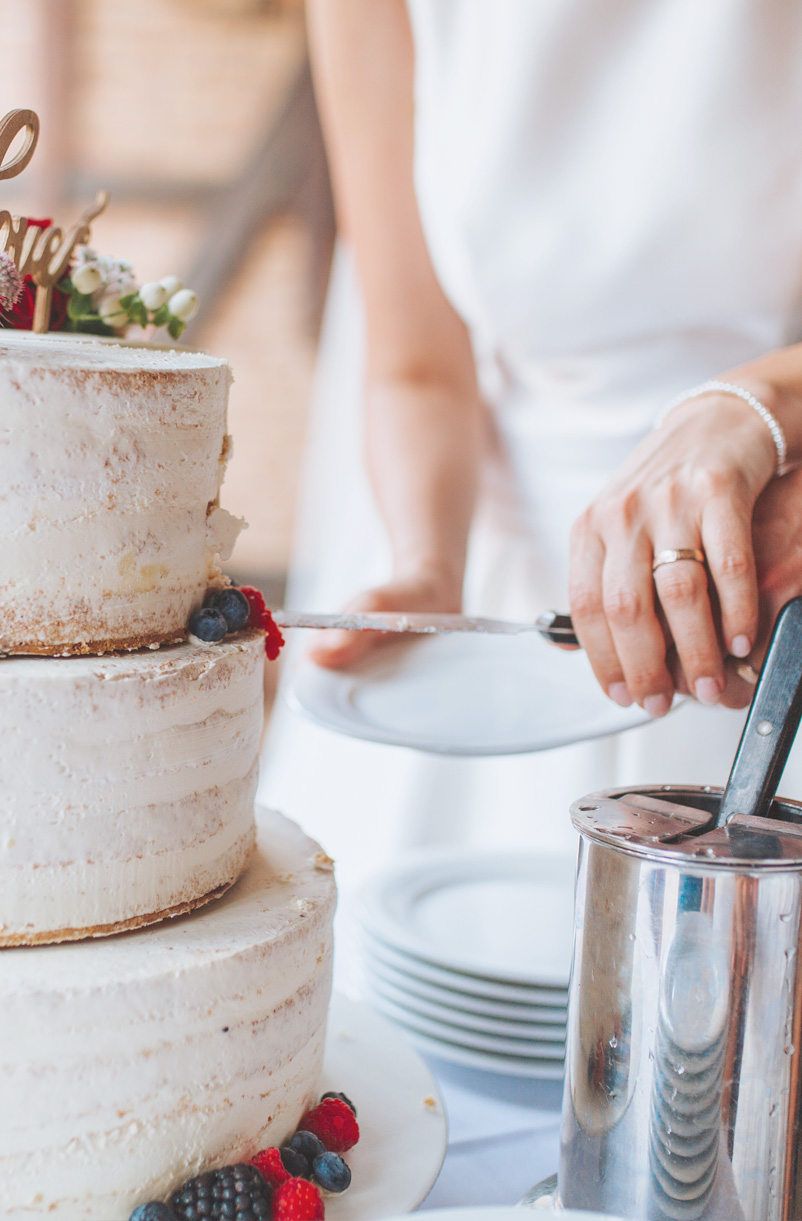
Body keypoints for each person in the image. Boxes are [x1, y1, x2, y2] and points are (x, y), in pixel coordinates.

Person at [258, 0, 802, 896]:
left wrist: (759, 407)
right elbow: (417, 363)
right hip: (508, 598)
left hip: (765, 583)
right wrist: (429, 565)